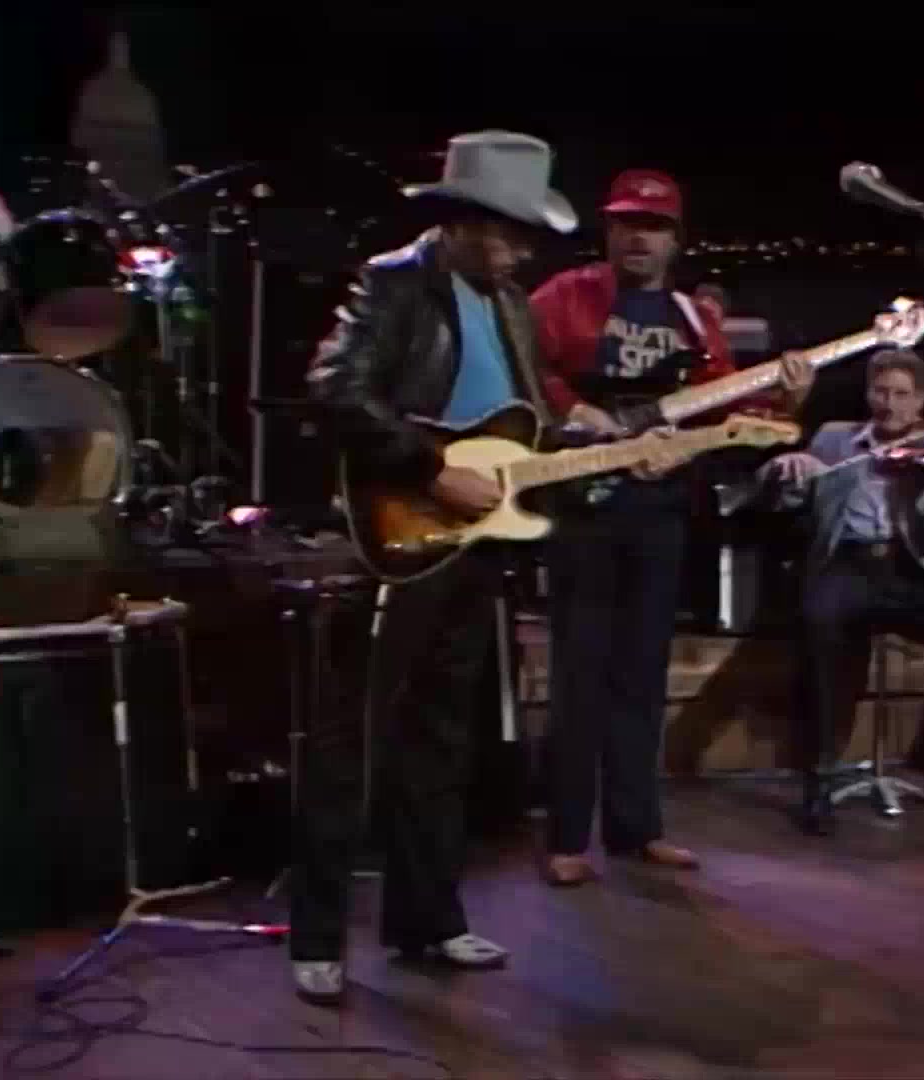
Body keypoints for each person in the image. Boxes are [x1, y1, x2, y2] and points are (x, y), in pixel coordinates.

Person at [290, 131, 576, 1001]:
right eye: (507, 233)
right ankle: (318, 937)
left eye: (525, 237)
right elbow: (335, 387)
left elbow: (521, 425)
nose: (519, 252)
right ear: (458, 221)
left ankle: (428, 919)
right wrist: (428, 468)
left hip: (475, 542)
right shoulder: (395, 282)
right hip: (398, 533)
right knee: (350, 741)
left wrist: (611, 451)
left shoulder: (511, 305)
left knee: (443, 740)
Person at [528, 169, 812, 886]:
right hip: (585, 502)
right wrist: (578, 414)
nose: (638, 237)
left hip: (659, 511)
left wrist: (786, 399)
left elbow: (725, 413)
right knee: (580, 674)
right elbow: (523, 364)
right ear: (608, 229)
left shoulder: (694, 318)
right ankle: (566, 837)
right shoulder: (564, 295)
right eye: (627, 222)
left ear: (676, 239)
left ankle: (636, 828)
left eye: (653, 226)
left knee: (642, 676)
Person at [758, 349, 924, 837]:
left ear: (921, 400)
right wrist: (787, 469)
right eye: (881, 392)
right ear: (868, 394)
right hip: (849, 563)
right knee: (819, 627)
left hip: (913, 567)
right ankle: (821, 778)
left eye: (902, 395)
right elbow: (789, 499)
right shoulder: (835, 438)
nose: (890, 405)